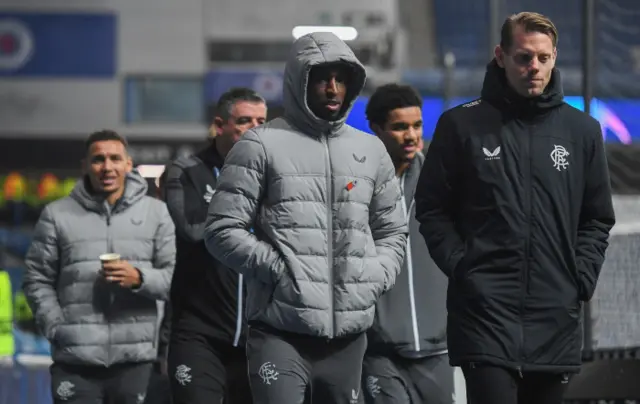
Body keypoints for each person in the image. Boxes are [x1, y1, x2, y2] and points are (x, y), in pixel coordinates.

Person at [415, 11, 616, 404]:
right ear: (501, 56)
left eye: (543, 58)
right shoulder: (460, 125)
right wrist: (463, 265)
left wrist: (579, 277)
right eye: (524, 57)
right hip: (484, 314)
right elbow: (432, 207)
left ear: (554, 57)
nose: (534, 67)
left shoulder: (582, 132)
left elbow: (596, 217)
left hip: (555, 316)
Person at [203, 32, 408, 404]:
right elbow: (221, 229)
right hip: (280, 332)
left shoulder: (370, 150)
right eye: (321, 78)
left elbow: (393, 230)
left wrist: (374, 276)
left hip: (349, 337)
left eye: (340, 79)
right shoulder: (260, 145)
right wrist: (278, 269)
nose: (332, 89)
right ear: (300, 81)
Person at [23, 130, 176, 404]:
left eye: (115, 158)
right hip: (75, 361)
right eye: (98, 159)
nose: (107, 167)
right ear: (85, 166)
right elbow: (37, 279)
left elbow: (174, 279)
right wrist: (57, 328)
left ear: (128, 164)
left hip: (137, 361)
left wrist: (139, 278)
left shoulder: (156, 213)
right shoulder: (57, 215)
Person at [163, 88, 267, 404]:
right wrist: (240, 187)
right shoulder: (186, 171)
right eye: (245, 121)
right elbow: (192, 231)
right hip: (199, 334)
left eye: (262, 121)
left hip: (259, 335)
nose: (256, 129)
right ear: (219, 125)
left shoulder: (276, 176)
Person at [363, 83, 453, 404]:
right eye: (400, 127)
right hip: (379, 349)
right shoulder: (358, 189)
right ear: (376, 130)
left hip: (438, 349)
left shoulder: (442, 181)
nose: (412, 135)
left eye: (417, 125)